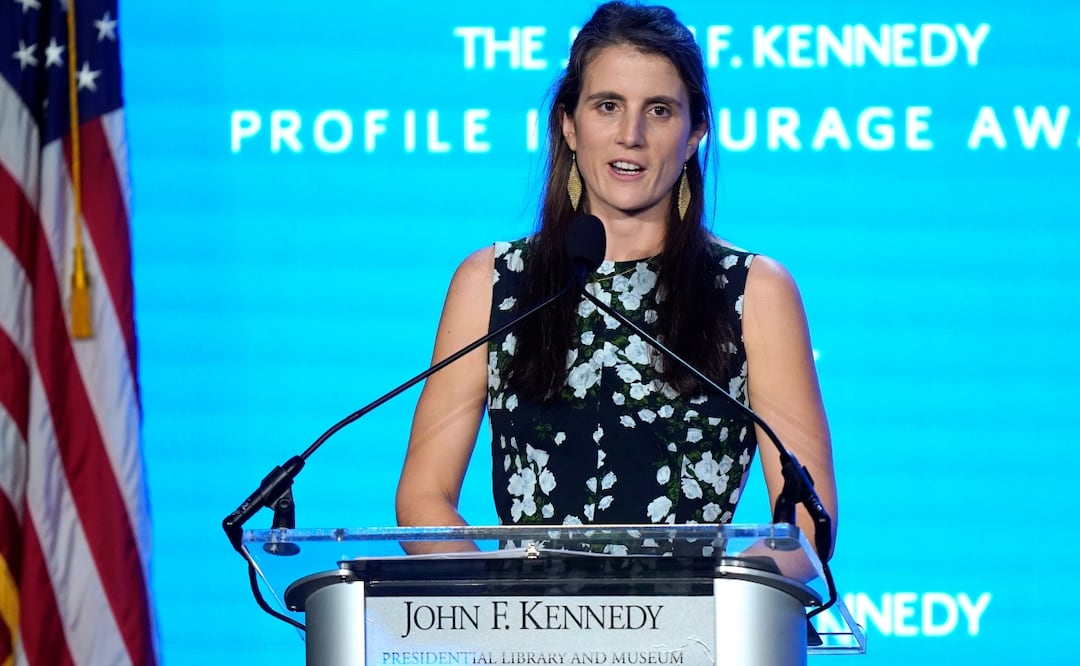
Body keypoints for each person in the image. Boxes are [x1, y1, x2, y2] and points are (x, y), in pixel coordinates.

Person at [396, 1, 837, 558]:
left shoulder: (755, 291)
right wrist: (497, 607)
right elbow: (423, 497)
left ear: (695, 131)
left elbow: (805, 521)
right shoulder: (491, 282)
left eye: (658, 110)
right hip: (525, 636)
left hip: (696, 639)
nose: (631, 135)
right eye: (607, 105)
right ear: (569, 124)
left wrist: (718, 610)